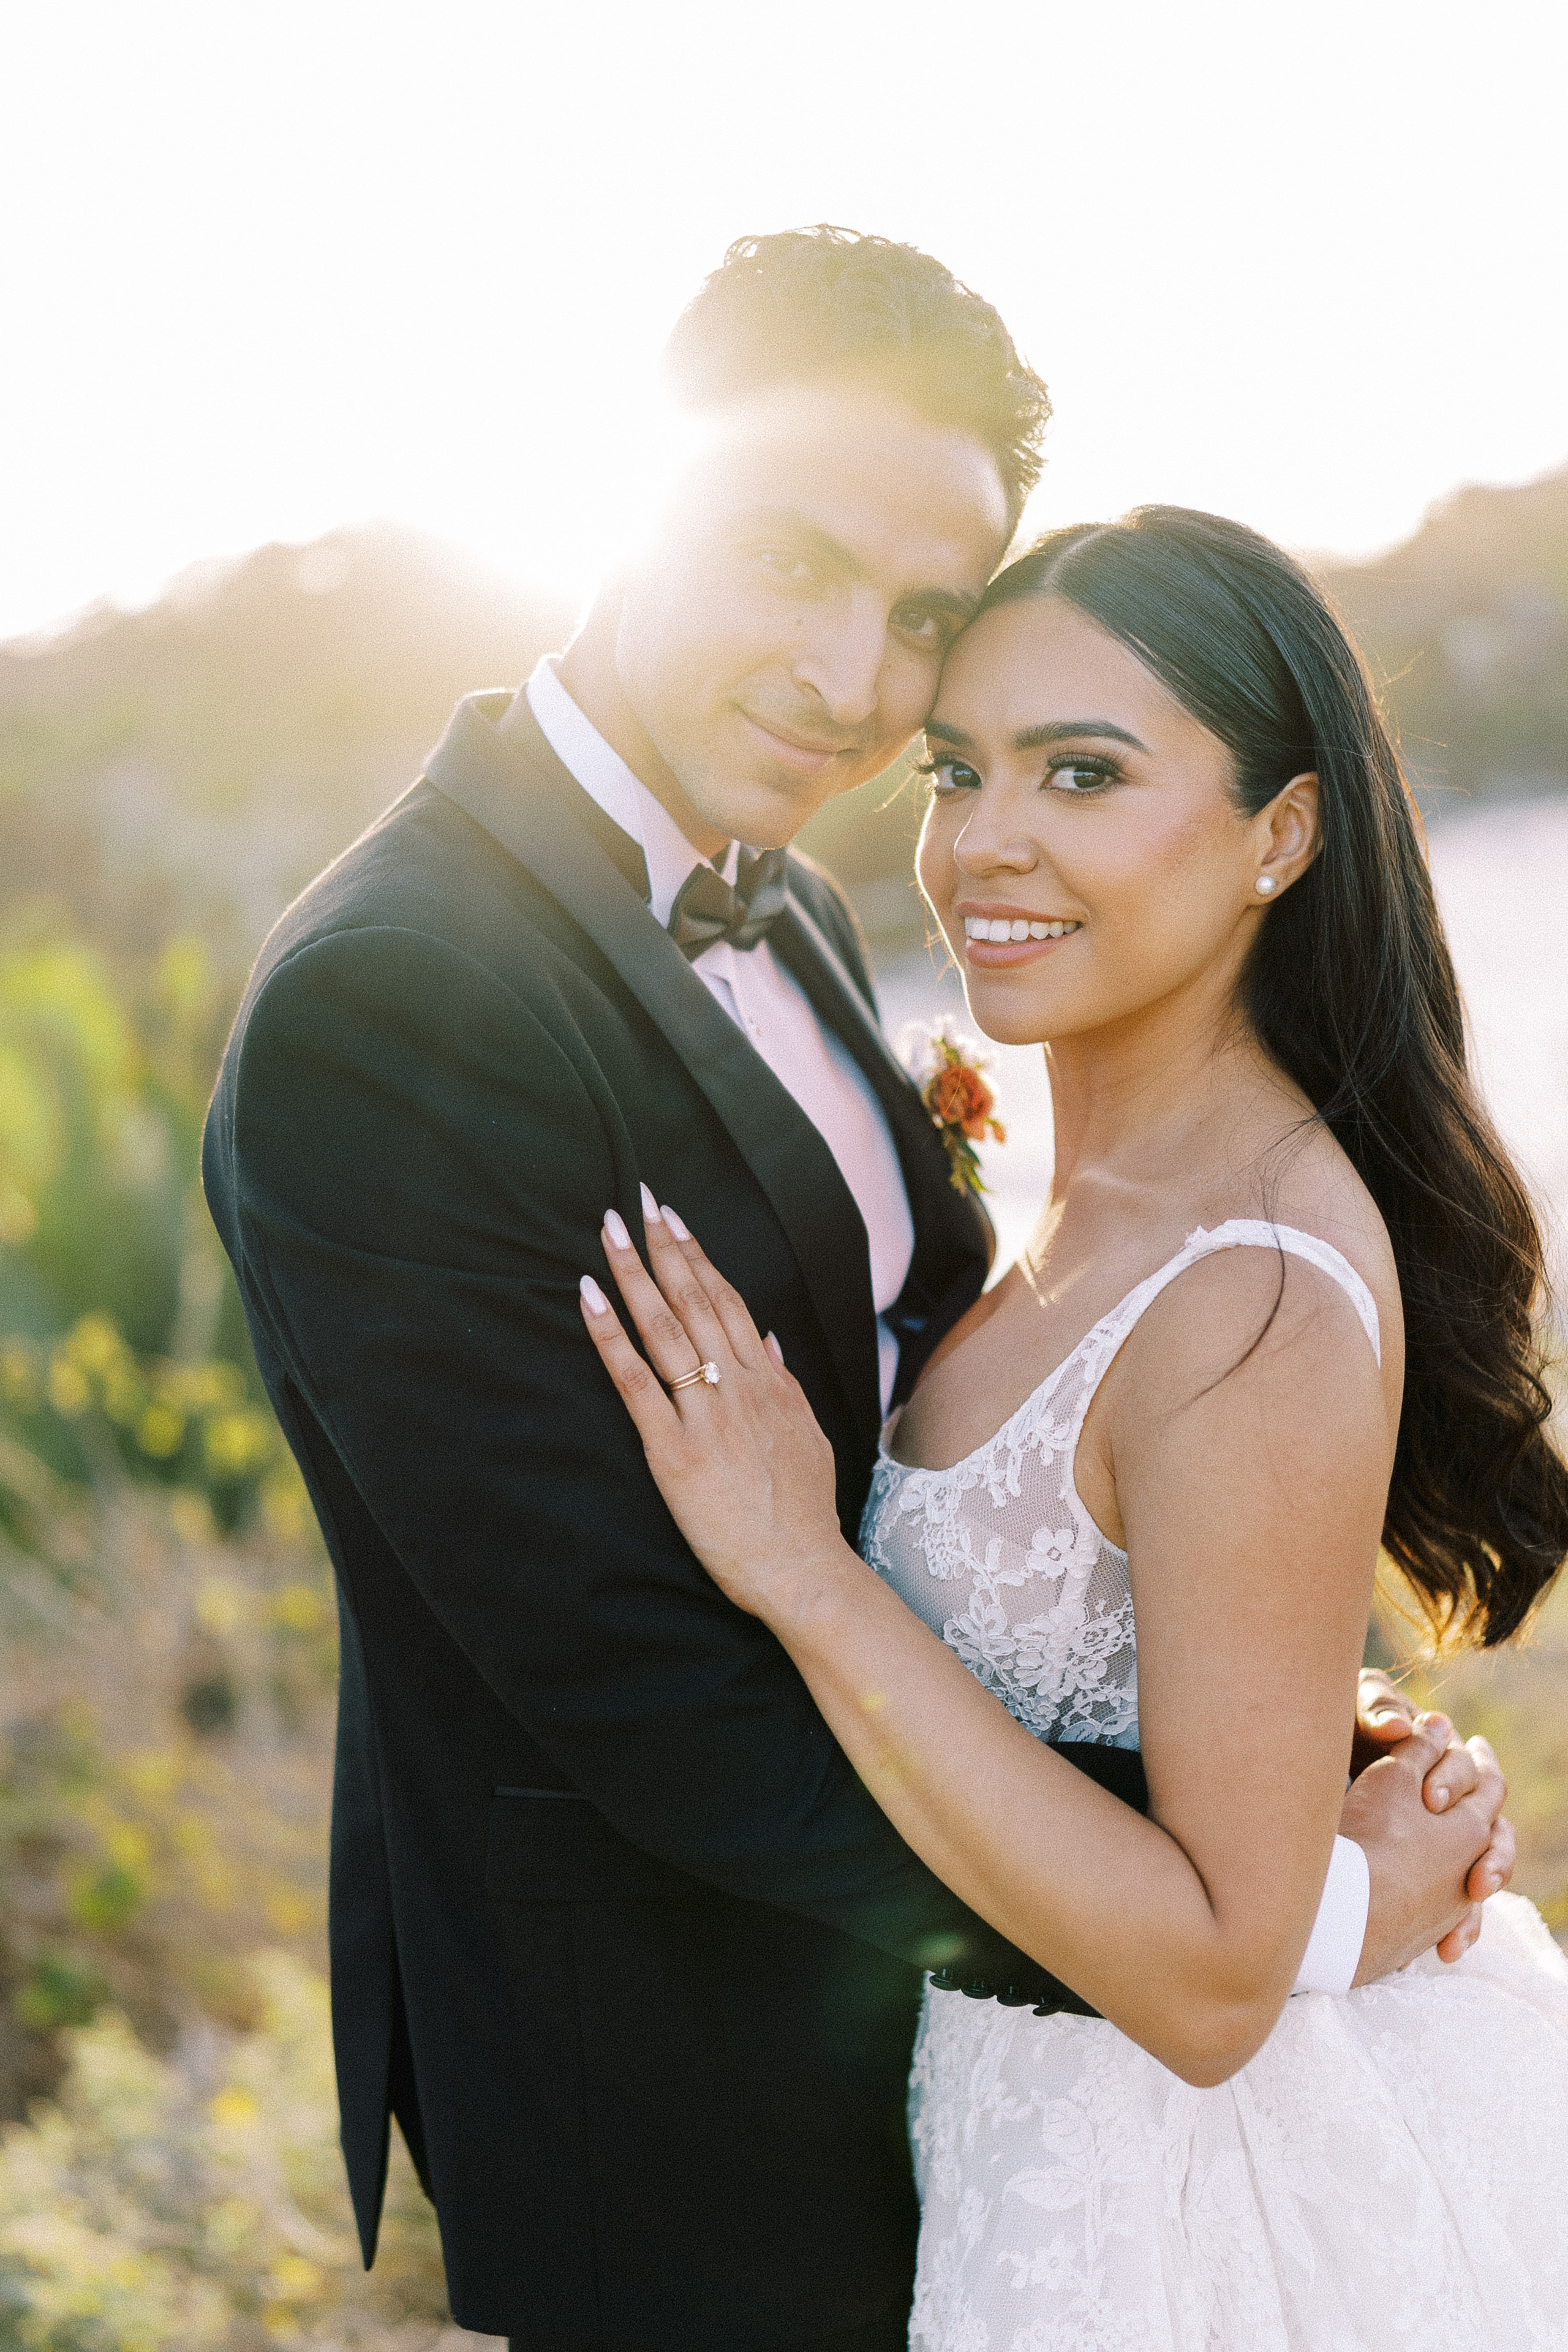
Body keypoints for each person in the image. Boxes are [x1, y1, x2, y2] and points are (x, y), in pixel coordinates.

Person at [203, 235, 1512, 2351]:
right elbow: (652, 1692)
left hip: (991, 2100)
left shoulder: (796, 903)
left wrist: (1272, 1743)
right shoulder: (402, 999)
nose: (848, 678)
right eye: (787, 560)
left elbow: (1000, 1455)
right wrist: (1282, 1911)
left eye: (919, 613)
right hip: (689, 2102)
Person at [583, 503, 1568, 2346]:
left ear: (1281, 836)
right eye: (960, 771)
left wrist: (804, 1570)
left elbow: (1211, 1988)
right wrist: (1332, 1768)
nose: (984, 842)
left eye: (1085, 773)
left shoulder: (1252, 1284)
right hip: (1022, 2139)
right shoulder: (1102, 1203)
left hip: (1192, 2211)